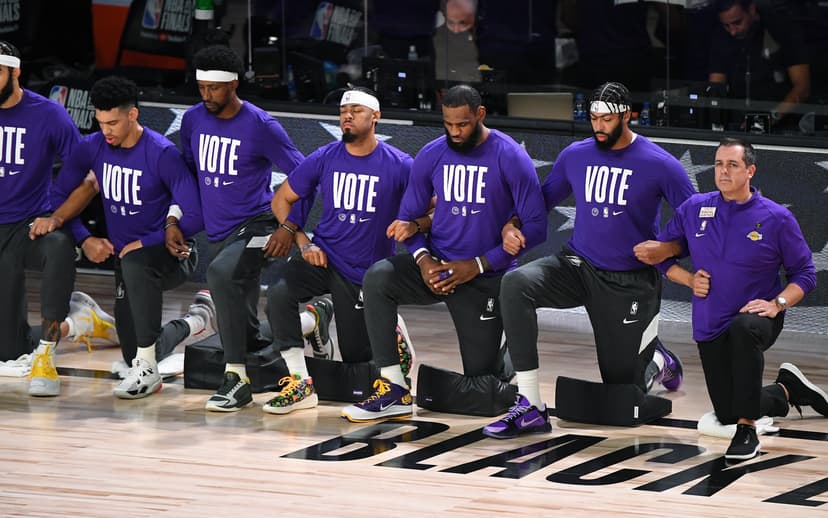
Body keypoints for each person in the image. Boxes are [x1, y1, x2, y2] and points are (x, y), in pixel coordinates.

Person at [483, 81, 695, 439]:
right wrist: (512, 224)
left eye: (607, 119)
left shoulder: (661, 164)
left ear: (628, 115)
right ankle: (530, 404)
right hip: (576, 266)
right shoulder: (576, 154)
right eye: (593, 118)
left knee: (619, 387)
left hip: (628, 280)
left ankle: (658, 361)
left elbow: (700, 220)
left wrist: (670, 249)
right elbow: (540, 204)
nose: (598, 126)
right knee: (516, 283)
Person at [341, 84, 548, 422]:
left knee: (483, 383)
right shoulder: (433, 153)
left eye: (463, 124)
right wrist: (423, 261)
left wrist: (479, 264)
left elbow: (537, 227)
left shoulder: (510, 155)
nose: (455, 132)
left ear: (479, 115)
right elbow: (406, 222)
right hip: (438, 265)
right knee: (378, 277)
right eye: (448, 124)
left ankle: (507, 347)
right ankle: (393, 387)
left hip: (485, 275)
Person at [635, 137, 824, 461]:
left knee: (742, 331)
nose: (723, 171)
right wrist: (690, 279)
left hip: (757, 318)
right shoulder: (694, 209)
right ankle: (787, 390)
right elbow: (661, 255)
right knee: (727, 410)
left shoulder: (776, 218)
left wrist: (777, 304)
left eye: (732, 165)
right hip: (710, 321)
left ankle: (748, 431)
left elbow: (805, 273)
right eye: (720, 164)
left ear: (750, 170)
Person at [33, 76, 209, 399]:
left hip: (169, 254)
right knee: (134, 351)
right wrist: (84, 238)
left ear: (133, 115)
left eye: (113, 122)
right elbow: (58, 199)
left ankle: (149, 371)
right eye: (100, 123)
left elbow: (196, 214)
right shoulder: (93, 147)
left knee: (135, 265)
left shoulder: (161, 153)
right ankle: (195, 320)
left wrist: (147, 241)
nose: (107, 131)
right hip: (126, 263)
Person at [265, 87, 417, 415]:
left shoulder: (400, 164)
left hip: (364, 272)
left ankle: (393, 330)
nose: (347, 116)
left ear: (375, 117)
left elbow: (432, 207)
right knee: (279, 295)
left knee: (356, 361)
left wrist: (414, 225)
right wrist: (302, 241)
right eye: (343, 111)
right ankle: (300, 383)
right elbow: (282, 198)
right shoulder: (325, 156)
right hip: (324, 257)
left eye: (356, 110)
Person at [179, 45, 305, 412]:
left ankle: (237, 379)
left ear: (233, 84)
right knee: (245, 326)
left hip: (259, 224)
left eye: (214, 88)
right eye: (201, 87)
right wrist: (176, 219)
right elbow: (188, 175)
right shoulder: (192, 120)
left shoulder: (262, 125)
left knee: (219, 273)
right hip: (219, 231)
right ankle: (312, 321)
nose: (206, 96)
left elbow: (303, 176)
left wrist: (289, 226)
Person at [0, 40, 119, 397]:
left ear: (15, 72)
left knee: (58, 245)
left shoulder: (48, 114)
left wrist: (69, 225)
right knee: (10, 348)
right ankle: (80, 322)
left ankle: (46, 355)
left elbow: (88, 177)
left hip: (26, 227)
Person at [708, 0, 811, 129]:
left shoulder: (782, 28)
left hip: (781, 124)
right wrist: (717, 121)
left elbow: (802, 88)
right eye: (727, 25)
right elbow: (716, 87)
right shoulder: (722, 36)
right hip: (738, 125)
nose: (732, 31)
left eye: (737, 22)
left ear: (751, 9)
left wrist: (769, 119)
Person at [433, 0, 481, 83]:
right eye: (450, 22)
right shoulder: (436, 39)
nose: (456, 30)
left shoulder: (484, 39)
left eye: (463, 23)